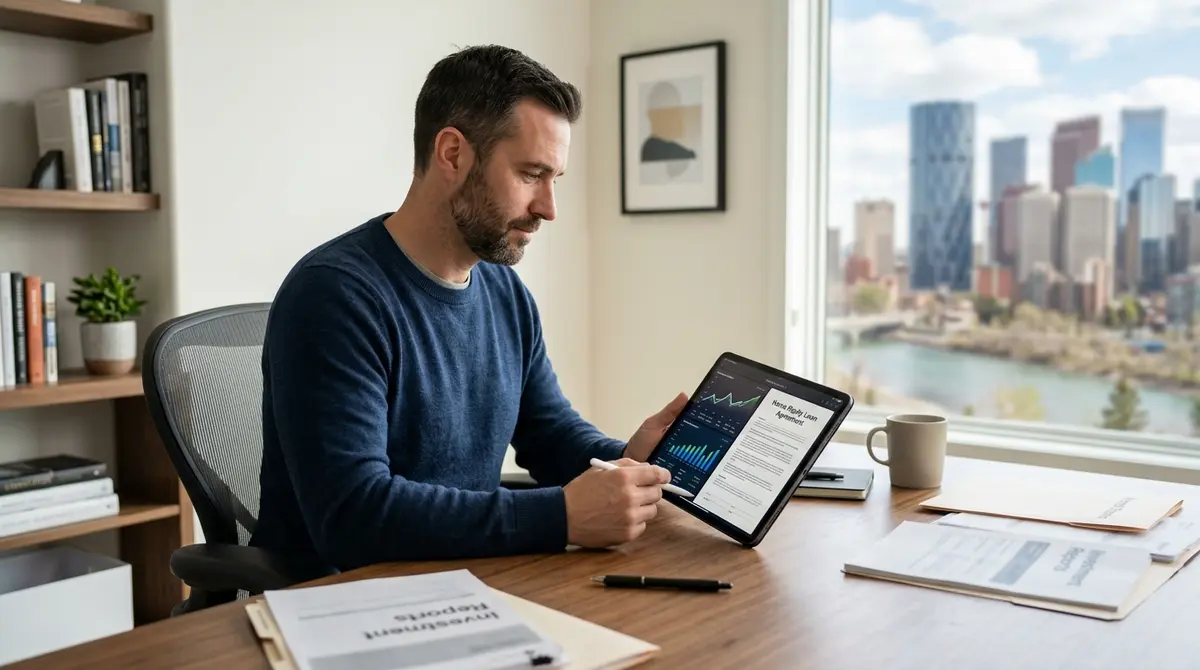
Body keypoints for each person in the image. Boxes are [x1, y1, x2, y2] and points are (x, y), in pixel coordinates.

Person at [250, 44, 687, 575]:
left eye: (555, 179)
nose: (549, 208)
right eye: (531, 175)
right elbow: (354, 517)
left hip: (467, 583)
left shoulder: (503, 290)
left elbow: (549, 436)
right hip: (341, 605)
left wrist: (629, 463)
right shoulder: (335, 295)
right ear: (453, 154)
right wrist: (561, 516)